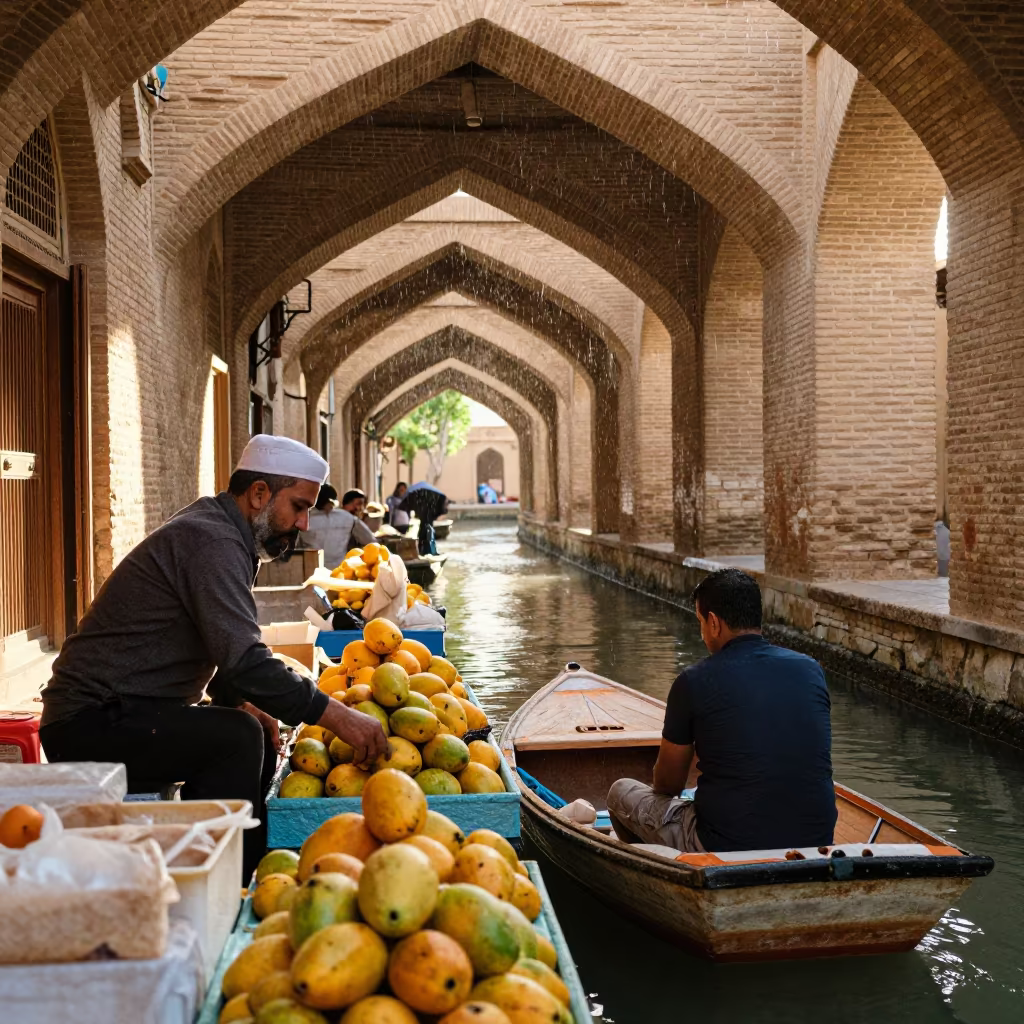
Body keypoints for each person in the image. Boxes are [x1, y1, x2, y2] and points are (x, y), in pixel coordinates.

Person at [39, 435, 389, 878]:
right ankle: (234, 883)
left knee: (254, 727)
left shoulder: (226, 534)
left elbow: (220, 645)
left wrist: (237, 699)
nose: (304, 523)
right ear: (259, 493)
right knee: (237, 737)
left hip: (135, 710)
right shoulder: (211, 540)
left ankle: (234, 858)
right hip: (87, 722)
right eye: (298, 506)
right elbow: (245, 659)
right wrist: (337, 716)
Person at [607, 568, 837, 854]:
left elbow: (667, 785)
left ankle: (649, 866)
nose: (702, 634)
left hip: (724, 844)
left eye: (700, 623)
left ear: (714, 623)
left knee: (620, 792)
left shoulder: (693, 681)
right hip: (816, 840)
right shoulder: (810, 669)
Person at [303, 485, 376, 567]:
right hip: (329, 569)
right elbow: (371, 541)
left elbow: (370, 541)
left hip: (329, 569)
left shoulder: (347, 518)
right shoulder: (304, 519)